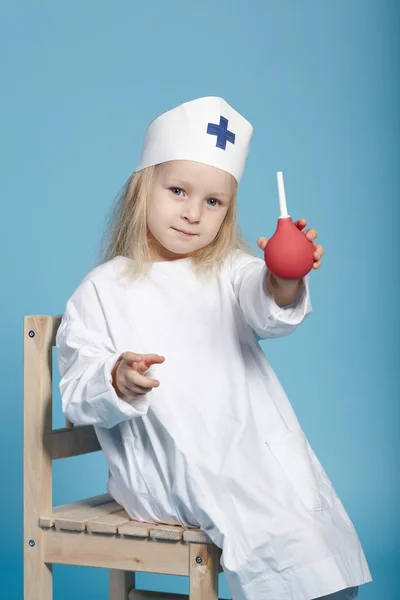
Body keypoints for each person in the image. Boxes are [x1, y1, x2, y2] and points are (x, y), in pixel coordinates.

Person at [55, 97, 372, 600]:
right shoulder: (102, 290)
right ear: (143, 189)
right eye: (178, 190)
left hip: (246, 453)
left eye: (212, 202)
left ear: (227, 212)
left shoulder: (229, 270)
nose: (192, 213)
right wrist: (116, 377)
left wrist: (284, 275)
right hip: (164, 467)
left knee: (305, 520)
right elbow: (75, 388)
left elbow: (266, 301)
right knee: (265, 515)